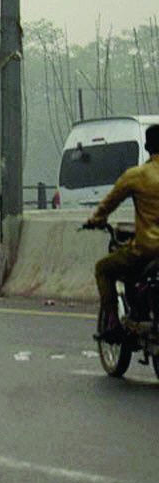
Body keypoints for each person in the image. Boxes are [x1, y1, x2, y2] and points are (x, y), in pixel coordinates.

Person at [86, 123, 159, 343]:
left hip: (148, 249)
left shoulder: (136, 175)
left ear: (147, 146)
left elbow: (109, 202)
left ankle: (112, 323)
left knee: (103, 269)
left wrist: (96, 220)